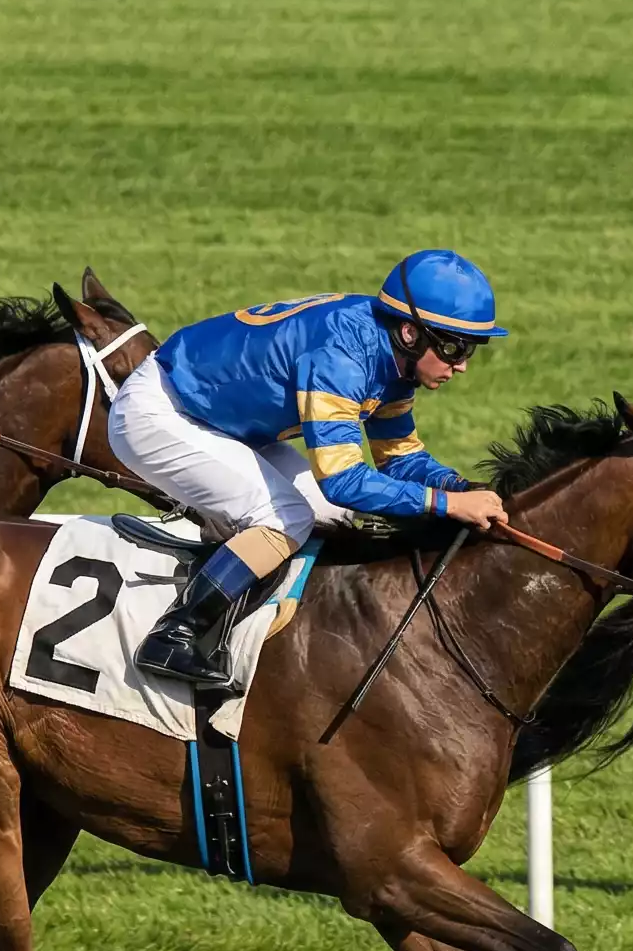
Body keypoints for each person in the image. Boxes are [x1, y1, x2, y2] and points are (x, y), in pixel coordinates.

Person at [107, 249, 511, 689]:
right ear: (411, 333)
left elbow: (400, 458)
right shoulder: (342, 357)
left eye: (470, 349)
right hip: (161, 413)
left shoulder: (393, 357)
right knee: (286, 516)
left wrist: (461, 486)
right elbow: (342, 480)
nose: (461, 365)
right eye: (453, 347)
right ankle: (174, 635)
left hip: (225, 422)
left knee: (334, 518)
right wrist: (446, 503)